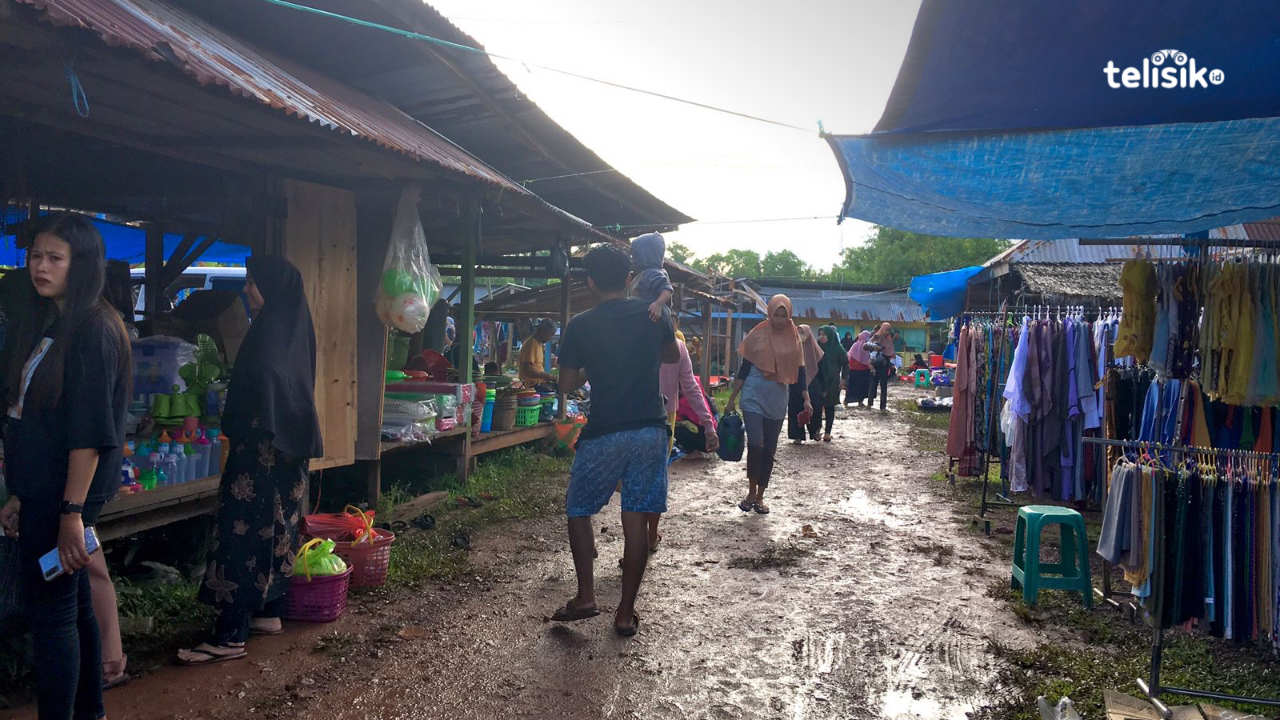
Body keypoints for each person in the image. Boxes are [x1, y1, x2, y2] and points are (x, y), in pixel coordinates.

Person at [0, 213, 131, 720]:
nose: (41, 266)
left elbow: (90, 435)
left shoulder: (94, 329)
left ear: (82, 266)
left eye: (55, 258)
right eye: (36, 256)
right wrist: (19, 493)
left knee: (51, 614)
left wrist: (72, 514)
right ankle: (89, 711)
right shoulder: (54, 322)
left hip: (64, 497)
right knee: (72, 606)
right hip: (43, 493)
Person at [178, 256, 323, 666]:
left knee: (244, 537)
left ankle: (228, 636)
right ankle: (268, 612)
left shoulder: (269, 335)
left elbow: (262, 386)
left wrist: (242, 420)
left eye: (253, 284)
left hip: (260, 455)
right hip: (288, 454)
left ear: (272, 289)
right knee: (279, 532)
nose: (246, 291)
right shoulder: (294, 329)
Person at [551, 245, 679, 637]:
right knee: (636, 517)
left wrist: (597, 362)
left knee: (578, 509)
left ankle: (586, 595)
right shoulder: (653, 314)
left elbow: (568, 384)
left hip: (605, 430)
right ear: (628, 280)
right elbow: (671, 357)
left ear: (589, 282)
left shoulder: (580, 325)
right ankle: (625, 612)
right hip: (650, 430)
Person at [726, 295, 808, 515]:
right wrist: (732, 397)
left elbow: (800, 372)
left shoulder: (794, 339)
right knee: (757, 444)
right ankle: (751, 491)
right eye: (776, 315)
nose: (780, 320)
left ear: (789, 315)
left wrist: (806, 398)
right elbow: (744, 368)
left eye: (784, 315)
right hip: (753, 393)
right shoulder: (758, 335)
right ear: (769, 313)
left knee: (770, 448)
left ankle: (761, 496)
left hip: (778, 397)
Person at [650, 324, 719, 552]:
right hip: (662, 416)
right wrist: (708, 425)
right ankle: (649, 534)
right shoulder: (678, 347)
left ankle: (643, 537)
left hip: (640, 416)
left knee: (640, 477)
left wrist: (709, 424)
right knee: (656, 475)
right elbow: (691, 387)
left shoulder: (632, 339)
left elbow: (691, 387)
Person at [787, 324, 823, 444]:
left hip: (813, 384)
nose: (800, 336)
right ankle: (797, 435)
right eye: (798, 332)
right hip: (795, 382)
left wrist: (825, 387)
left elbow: (821, 369)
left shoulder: (816, 350)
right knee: (795, 408)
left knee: (815, 408)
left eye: (802, 333)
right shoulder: (792, 348)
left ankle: (815, 432)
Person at [809, 325, 844, 442]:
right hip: (818, 380)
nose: (821, 337)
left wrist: (844, 379)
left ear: (830, 335)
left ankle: (828, 432)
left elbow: (846, 364)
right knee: (816, 407)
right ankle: (817, 430)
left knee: (829, 406)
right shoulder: (817, 347)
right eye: (820, 334)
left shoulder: (838, 349)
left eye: (824, 334)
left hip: (833, 382)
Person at [629, 232, 673, 322]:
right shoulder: (643, 274)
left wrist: (658, 304)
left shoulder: (653, 273)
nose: (633, 259)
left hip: (653, 318)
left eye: (635, 255)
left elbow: (667, 290)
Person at [517, 319, 556, 387]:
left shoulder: (539, 344)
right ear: (543, 331)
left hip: (537, 384)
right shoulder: (531, 344)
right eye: (550, 334)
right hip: (530, 386)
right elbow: (527, 370)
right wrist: (546, 376)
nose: (550, 338)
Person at [868, 321, 897, 412]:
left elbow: (891, 350)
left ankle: (883, 406)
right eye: (886, 329)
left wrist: (892, 359)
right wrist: (877, 347)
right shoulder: (877, 336)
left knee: (884, 385)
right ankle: (870, 402)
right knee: (873, 383)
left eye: (889, 330)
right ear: (882, 328)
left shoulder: (889, 338)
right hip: (876, 363)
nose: (887, 331)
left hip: (885, 364)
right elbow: (869, 346)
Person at [846, 330, 872, 408]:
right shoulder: (860, 346)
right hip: (858, 370)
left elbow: (849, 357)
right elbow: (850, 357)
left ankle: (857, 401)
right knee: (856, 386)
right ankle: (850, 401)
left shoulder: (858, 345)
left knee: (859, 386)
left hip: (858, 370)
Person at [839, 331, 855, 406]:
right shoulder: (843, 341)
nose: (849, 336)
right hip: (845, 360)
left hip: (850, 363)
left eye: (849, 335)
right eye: (847, 335)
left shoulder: (852, 343)